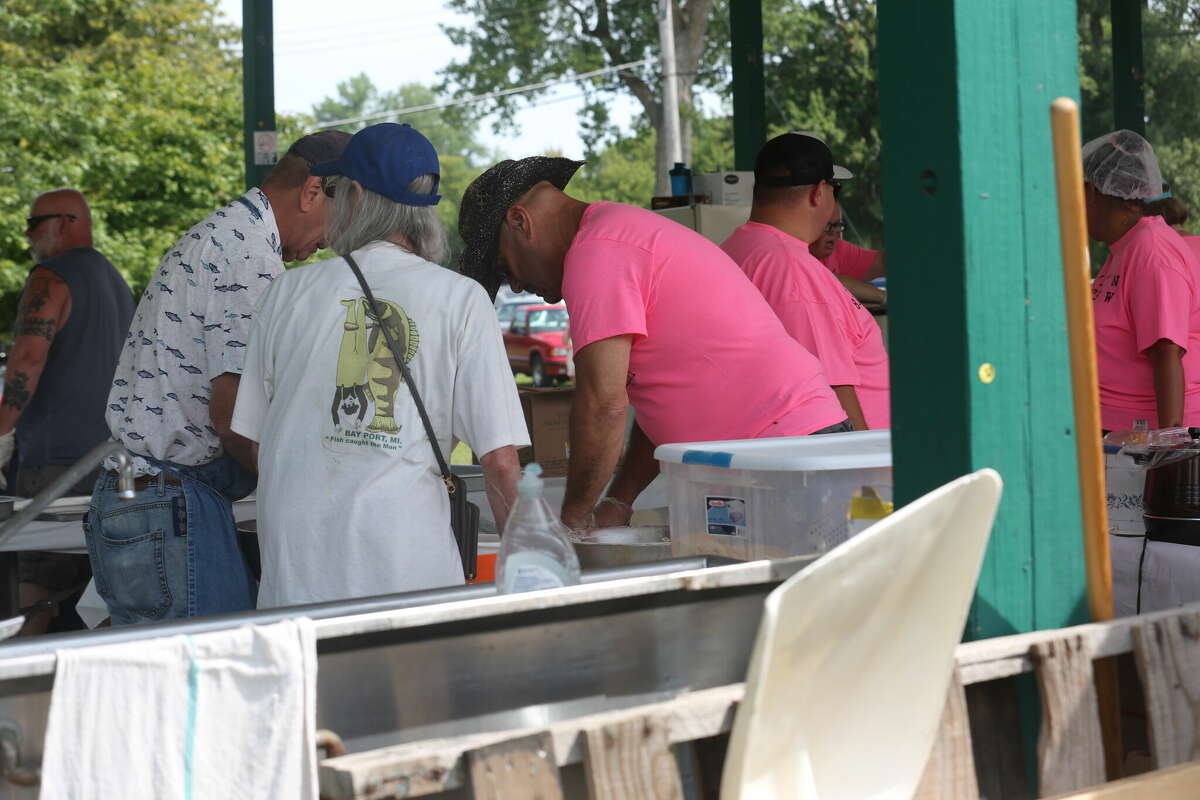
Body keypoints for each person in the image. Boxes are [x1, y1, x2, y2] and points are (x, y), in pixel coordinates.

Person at [457, 157, 849, 532]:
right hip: (773, 453)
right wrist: (618, 502)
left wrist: (571, 525)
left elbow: (603, 406)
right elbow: (660, 400)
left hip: (785, 454)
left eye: (506, 269)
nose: (519, 286)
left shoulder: (598, 251)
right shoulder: (613, 235)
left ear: (520, 221)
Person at [231, 123, 527, 608]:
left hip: (296, 585)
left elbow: (256, 438)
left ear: (357, 195)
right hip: (410, 584)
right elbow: (499, 461)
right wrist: (534, 569)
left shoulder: (285, 294)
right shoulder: (460, 299)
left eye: (334, 190)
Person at [87, 130, 351, 625]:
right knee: (202, 683)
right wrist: (304, 491)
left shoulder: (227, 231)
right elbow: (233, 418)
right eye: (338, 221)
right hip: (170, 499)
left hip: (145, 495)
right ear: (313, 190)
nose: (328, 243)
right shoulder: (250, 254)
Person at [1, 189, 133, 635]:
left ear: (66, 222)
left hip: (57, 464)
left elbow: (27, 360)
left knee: (36, 592)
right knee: (104, 590)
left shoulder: (50, 277)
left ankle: (21, 696)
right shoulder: (114, 279)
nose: (29, 236)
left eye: (34, 224)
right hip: (114, 462)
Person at [722, 133, 890, 430]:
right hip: (844, 465)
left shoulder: (736, 248)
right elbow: (831, 390)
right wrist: (865, 473)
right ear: (819, 192)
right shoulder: (793, 267)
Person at [1082, 129, 1200, 431]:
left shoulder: (1151, 252)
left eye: (1080, 196)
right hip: (1116, 432)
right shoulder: (1125, 246)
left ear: (1095, 193)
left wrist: (1169, 449)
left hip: (1140, 441)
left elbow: (1166, 350)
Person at [809, 203, 888, 309]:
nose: (833, 233)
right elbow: (827, 279)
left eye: (837, 225)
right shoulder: (794, 254)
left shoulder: (837, 248)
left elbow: (883, 262)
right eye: (826, 225)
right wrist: (882, 296)